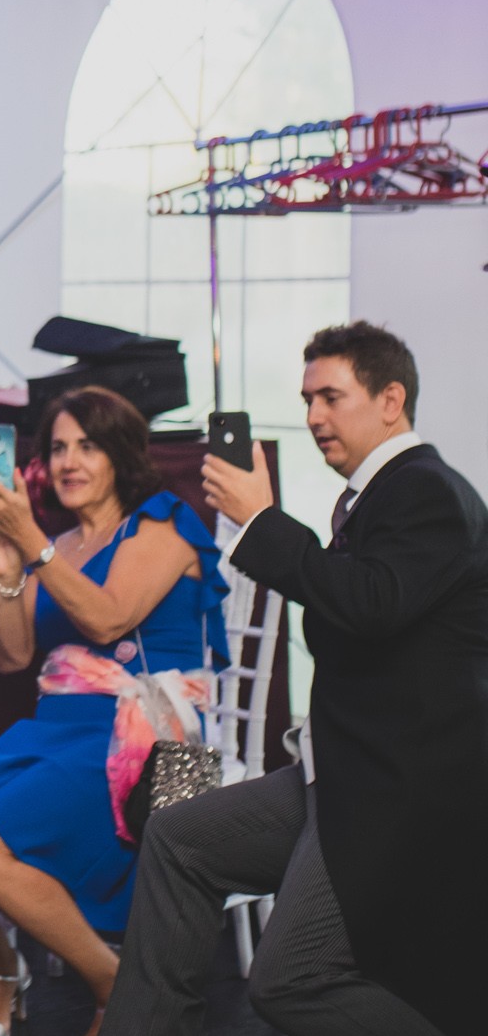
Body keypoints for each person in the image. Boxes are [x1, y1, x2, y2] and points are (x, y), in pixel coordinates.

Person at [103, 322, 488, 1036]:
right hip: (341, 774)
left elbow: (370, 603)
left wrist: (259, 521)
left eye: (330, 397)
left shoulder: (427, 489)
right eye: (307, 399)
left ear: (391, 400)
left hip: (399, 795)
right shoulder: (374, 498)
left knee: (288, 981)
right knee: (179, 838)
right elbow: (358, 608)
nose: (313, 416)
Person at [0, 387, 228, 1036]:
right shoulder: (57, 544)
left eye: (87, 445)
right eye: (57, 448)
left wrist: (32, 543)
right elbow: (10, 655)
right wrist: (8, 570)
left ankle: (112, 984)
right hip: (58, 727)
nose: (68, 461)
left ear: (120, 454)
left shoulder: (162, 523)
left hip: (140, 733)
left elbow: (108, 617)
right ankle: (3, 971)